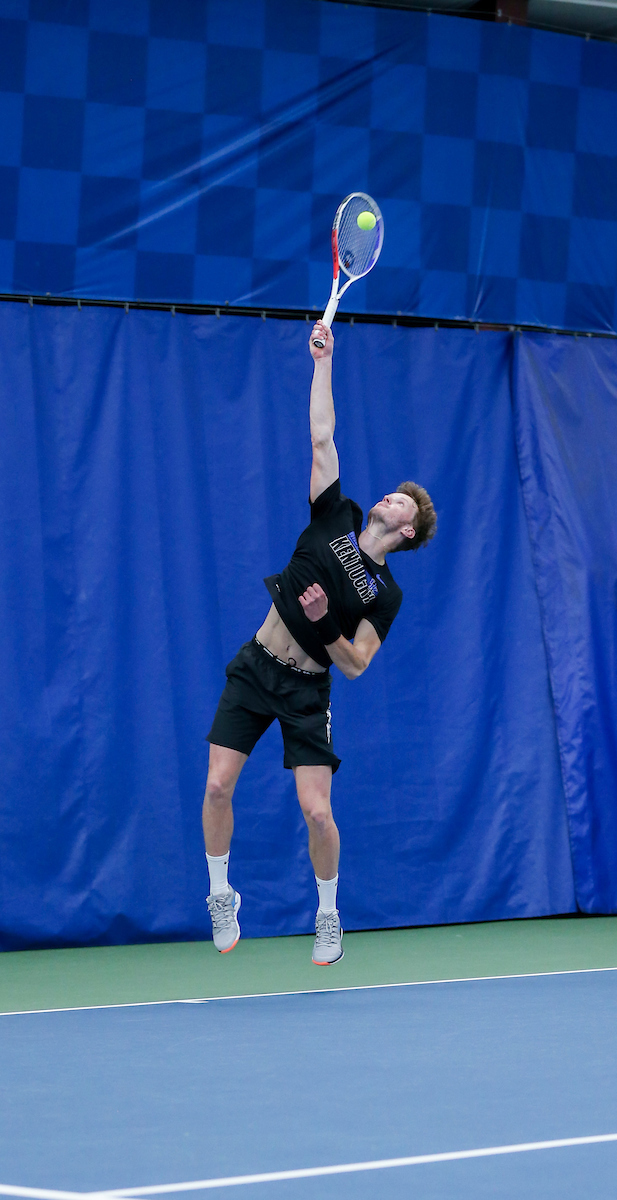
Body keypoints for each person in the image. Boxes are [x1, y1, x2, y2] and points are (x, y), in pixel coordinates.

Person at [201, 321, 437, 963]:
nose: (390, 498)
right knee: (218, 786)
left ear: (408, 533)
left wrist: (326, 623)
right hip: (256, 664)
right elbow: (322, 433)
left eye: (402, 504)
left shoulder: (386, 596)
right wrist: (323, 361)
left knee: (317, 813)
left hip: (308, 688)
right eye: (391, 494)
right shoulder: (335, 512)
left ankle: (328, 913)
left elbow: (357, 663)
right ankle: (221, 893)